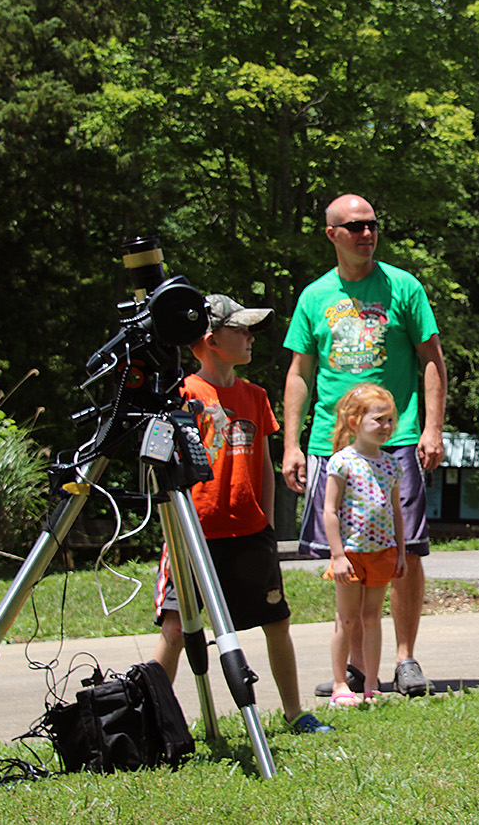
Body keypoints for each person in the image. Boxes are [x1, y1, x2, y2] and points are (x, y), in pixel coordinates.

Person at [282, 193, 448, 698]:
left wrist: (433, 428)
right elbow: (299, 373)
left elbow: (432, 359)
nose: (366, 233)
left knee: (405, 550)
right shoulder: (314, 296)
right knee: (346, 553)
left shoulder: (404, 286)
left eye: (372, 224)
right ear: (331, 234)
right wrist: (291, 444)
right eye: (354, 227)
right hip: (333, 446)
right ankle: (357, 668)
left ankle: (405, 659)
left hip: (396, 442)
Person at [152, 294, 331, 735]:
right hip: (194, 534)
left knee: (276, 620)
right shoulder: (181, 395)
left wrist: (265, 522)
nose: (250, 337)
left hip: (250, 533)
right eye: (241, 330)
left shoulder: (255, 396)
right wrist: (173, 530)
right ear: (211, 340)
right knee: (176, 629)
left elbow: (264, 464)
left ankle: (294, 712)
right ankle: (153, 723)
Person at [321, 383, 408, 706]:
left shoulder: (391, 464)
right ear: (355, 421)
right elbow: (330, 511)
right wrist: (337, 555)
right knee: (346, 619)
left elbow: (397, 512)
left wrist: (400, 552)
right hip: (351, 554)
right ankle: (340, 684)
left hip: (383, 552)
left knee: (372, 617)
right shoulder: (342, 462)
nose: (386, 426)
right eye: (378, 419)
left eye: (390, 420)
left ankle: (372, 683)